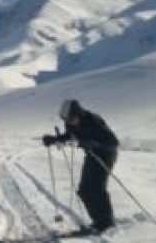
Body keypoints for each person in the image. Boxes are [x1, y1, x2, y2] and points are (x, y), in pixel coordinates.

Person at [42, 99, 119, 235]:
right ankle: (97, 221)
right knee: (83, 190)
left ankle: (106, 224)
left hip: (106, 155)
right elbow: (70, 136)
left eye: (71, 118)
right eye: (65, 119)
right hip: (91, 155)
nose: (69, 122)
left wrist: (95, 143)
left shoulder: (94, 121)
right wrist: (54, 139)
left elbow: (113, 142)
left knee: (97, 189)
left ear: (78, 113)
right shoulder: (70, 123)